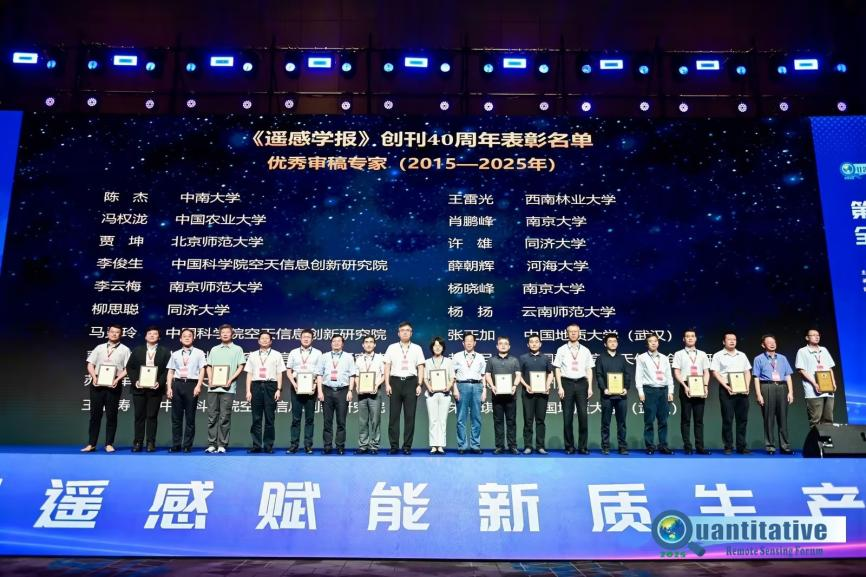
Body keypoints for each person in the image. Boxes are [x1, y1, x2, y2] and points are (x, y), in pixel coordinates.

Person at [83, 323, 131, 453]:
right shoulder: (99, 348)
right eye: (112, 331)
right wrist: (94, 377)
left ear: (121, 334)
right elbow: (90, 364)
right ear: (108, 333)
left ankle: (109, 443)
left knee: (111, 415)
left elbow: (128, 368)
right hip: (97, 383)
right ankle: (91, 444)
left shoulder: (125, 349)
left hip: (114, 383)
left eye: (117, 332)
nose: (114, 334)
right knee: (95, 415)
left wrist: (117, 379)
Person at [126, 325, 171, 452]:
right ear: (145, 336)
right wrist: (135, 381)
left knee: (152, 416)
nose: (152, 335)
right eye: (150, 333)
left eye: (155, 334)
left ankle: (151, 442)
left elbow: (167, 370)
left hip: (155, 389)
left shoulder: (165, 351)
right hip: (139, 389)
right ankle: (138, 442)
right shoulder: (137, 350)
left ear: (159, 337)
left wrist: (160, 383)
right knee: (139, 416)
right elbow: (130, 367)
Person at [383, 321, 426, 455]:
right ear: (398, 333)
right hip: (395, 382)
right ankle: (394, 446)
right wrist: (387, 384)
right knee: (394, 417)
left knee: (410, 417)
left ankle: (407, 446)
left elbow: (420, 367)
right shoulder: (392, 347)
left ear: (411, 333)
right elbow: (387, 366)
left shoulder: (417, 348)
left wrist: (419, 384)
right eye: (402, 330)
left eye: (408, 330)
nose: (405, 332)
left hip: (411, 382)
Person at [554, 323, 594, 454]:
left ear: (579, 333)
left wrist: (590, 387)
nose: (573, 333)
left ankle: (583, 447)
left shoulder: (586, 350)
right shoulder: (561, 349)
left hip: (582, 384)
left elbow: (589, 369)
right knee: (567, 417)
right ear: (567, 333)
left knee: (583, 416)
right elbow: (557, 369)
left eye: (575, 331)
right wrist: (560, 387)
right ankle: (569, 446)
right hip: (566, 384)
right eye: (570, 331)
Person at [711, 331, 753, 454]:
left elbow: (747, 371)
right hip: (727, 388)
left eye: (734, 339)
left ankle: (741, 446)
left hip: (742, 389)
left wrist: (747, 386)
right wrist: (725, 386)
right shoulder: (718, 355)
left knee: (742, 419)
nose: (732, 341)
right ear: (724, 342)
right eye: (729, 339)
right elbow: (715, 372)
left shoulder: (742, 355)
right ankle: (728, 446)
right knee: (727, 419)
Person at [205, 324, 245, 453]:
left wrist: (230, 380)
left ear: (232, 334)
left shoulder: (237, 349)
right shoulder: (214, 349)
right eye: (223, 332)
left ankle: (222, 444)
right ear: (220, 335)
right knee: (212, 417)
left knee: (224, 417)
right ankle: (212, 444)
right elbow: (209, 366)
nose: (225, 334)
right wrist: (210, 379)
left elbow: (241, 366)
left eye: (228, 332)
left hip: (228, 388)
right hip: (213, 388)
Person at [244, 331, 286, 453]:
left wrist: (278, 389)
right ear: (258, 341)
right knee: (256, 418)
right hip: (256, 386)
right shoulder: (253, 355)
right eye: (262, 338)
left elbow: (279, 373)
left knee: (269, 418)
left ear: (271, 341)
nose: (264, 340)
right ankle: (256, 445)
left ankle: (268, 446)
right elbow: (249, 374)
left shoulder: (277, 355)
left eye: (267, 338)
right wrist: (248, 391)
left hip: (271, 386)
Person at [671, 329, 711, 455]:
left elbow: (706, 372)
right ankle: (687, 446)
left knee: (699, 420)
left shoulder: (702, 354)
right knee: (686, 419)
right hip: (686, 386)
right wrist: (684, 386)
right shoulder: (679, 354)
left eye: (692, 336)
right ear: (684, 339)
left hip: (699, 385)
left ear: (696, 338)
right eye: (687, 336)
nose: (690, 338)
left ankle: (700, 447)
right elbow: (676, 372)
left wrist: (705, 386)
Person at [166, 328, 206, 453]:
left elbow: (202, 370)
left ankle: (187, 445)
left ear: (193, 338)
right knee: (176, 417)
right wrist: (169, 387)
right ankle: (176, 444)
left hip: (191, 385)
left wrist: (198, 385)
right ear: (180, 339)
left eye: (189, 336)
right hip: (177, 384)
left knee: (190, 417)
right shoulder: (175, 354)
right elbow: (171, 371)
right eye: (184, 336)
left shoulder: (199, 353)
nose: (187, 338)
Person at [752, 334, 794, 455]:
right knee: (768, 419)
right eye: (769, 342)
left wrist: (791, 392)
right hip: (767, 387)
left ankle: (785, 447)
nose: (772, 344)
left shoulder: (782, 358)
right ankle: (770, 447)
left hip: (782, 387)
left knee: (783, 419)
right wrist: (759, 394)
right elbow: (756, 378)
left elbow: (788, 375)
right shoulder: (758, 359)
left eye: (773, 342)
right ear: (763, 345)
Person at [317, 335, 357, 455]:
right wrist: (320, 391)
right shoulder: (324, 357)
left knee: (341, 421)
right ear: (331, 343)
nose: (336, 343)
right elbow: (319, 375)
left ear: (342, 344)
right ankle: (327, 446)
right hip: (327, 390)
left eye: (339, 341)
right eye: (334, 341)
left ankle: (340, 446)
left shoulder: (348, 357)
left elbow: (352, 375)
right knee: (327, 421)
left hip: (343, 391)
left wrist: (350, 390)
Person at [593, 333, 632, 455]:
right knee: (606, 423)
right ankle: (605, 446)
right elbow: (599, 375)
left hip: (621, 396)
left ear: (617, 343)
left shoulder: (622, 358)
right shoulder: (600, 358)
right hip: (607, 396)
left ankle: (622, 447)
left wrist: (626, 388)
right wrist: (604, 388)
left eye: (615, 341)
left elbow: (627, 374)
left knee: (622, 423)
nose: (613, 343)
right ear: (605, 344)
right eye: (610, 341)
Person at [635, 334, 674, 455]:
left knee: (663, 421)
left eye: (655, 341)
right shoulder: (641, 358)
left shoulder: (664, 358)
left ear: (658, 343)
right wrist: (640, 391)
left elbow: (669, 375)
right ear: (647, 344)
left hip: (663, 390)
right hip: (649, 391)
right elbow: (638, 376)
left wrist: (671, 391)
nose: (653, 343)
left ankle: (663, 446)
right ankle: (650, 446)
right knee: (649, 421)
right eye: (650, 341)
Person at [286, 329, 322, 454]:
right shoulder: (293, 352)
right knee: (295, 418)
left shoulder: (318, 353)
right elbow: (289, 371)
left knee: (309, 418)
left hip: (311, 387)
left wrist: (315, 385)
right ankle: (294, 445)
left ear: (312, 339)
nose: (306, 339)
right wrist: (294, 384)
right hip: (296, 386)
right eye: (304, 337)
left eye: (308, 337)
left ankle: (308, 445)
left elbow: (319, 372)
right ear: (300, 338)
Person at [518, 334, 554, 454]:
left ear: (540, 344)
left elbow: (550, 374)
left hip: (542, 394)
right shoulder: (523, 358)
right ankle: (528, 446)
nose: (534, 344)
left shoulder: (545, 358)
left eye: (536, 341)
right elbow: (519, 375)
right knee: (528, 420)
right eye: (531, 342)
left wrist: (547, 386)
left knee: (540, 420)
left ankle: (540, 446)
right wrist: (527, 386)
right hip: (528, 393)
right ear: (528, 344)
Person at [486, 336, 522, 454]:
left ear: (509, 346)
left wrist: (514, 386)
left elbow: (518, 375)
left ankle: (512, 446)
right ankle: (499, 446)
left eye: (505, 343)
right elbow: (487, 375)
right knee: (498, 422)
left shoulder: (514, 360)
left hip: (511, 396)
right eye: (500, 343)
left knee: (511, 421)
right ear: (497, 346)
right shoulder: (491, 360)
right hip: (497, 396)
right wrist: (492, 385)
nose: (503, 345)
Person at [795, 328, 837, 428]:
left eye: (818, 335)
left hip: (828, 389)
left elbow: (830, 368)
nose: (817, 337)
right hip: (813, 391)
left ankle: (827, 438)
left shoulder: (824, 350)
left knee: (828, 419)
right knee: (815, 420)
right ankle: (816, 438)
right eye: (813, 335)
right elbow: (801, 370)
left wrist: (833, 382)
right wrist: (815, 384)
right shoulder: (802, 351)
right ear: (807, 338)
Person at [452, 332, 486, 455]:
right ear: (463, 343)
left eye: (471, 340)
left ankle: (475, 445)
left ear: (475, 343)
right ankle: (462, 445)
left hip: (477, 386)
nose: (469, 343)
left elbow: (483, 375)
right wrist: (455, 389)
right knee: (461, 418)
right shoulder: (457, 356)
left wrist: (484, 390)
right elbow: (452, 375)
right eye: (467, 340)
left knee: (476, 418)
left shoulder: (480, 357)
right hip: (462, 386)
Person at [354, 334, 386, 454]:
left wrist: (376, 385)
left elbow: (384, 375)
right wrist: (358, 386)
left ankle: (374, 446)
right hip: (362, 393)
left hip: (375, 393)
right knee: (362, 421)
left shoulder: (380, 358)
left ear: (375, 344)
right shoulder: (358, 359)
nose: (368, 344)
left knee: (375, 421)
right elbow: (356, 375)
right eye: (366, 342)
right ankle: (363, 445)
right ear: (363, 345)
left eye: (371, 342)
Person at [424, 336, 455, 454]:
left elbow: (452, 377)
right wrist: (429, 387)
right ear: (432, 348)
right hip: (431, 394)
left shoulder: (448, 361)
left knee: (442, 420)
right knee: (433, 420)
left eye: (440, 346)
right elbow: (425, 378)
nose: (437, 348)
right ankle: (433, 445)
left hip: (444, 394)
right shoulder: (427, 362)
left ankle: (441, 445)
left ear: (443, 348)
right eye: (435, 346)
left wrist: (448, 387)